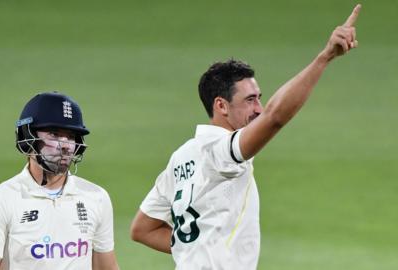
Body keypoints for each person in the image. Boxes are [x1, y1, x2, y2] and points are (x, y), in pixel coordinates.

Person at [130, 4, 361, 270]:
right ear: (221, 106)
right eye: (250, 100)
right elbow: (274, 118)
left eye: (259, 99)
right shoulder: (220, 151)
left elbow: (142, 229)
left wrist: (195, 250)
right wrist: (324, 58)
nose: (258, 109)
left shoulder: (182, 156)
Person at [0, 92, 119, 270]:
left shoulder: (96, 197)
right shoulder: (1, 200)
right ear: (27, 138)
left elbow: (106, 267)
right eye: (54, 134)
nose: (65, 144)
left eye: (71, 136)